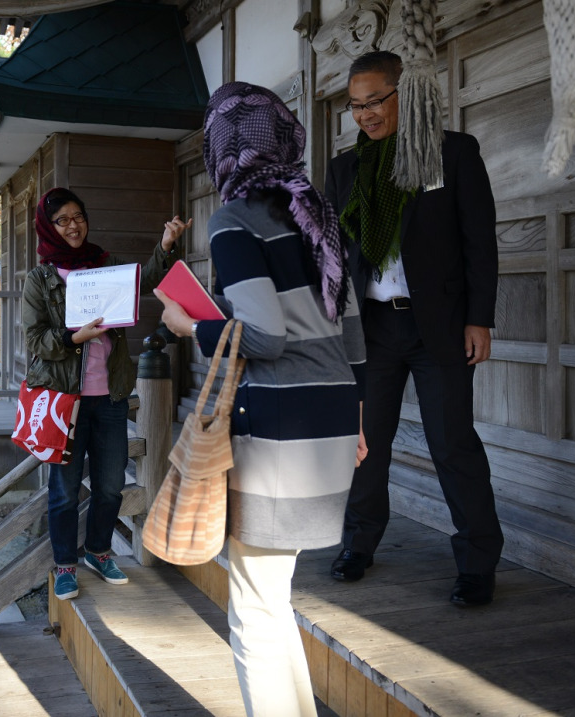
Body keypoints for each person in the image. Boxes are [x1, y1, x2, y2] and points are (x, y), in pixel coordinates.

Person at [157, 82, 367, 717]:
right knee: (273, 600)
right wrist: (358, 424)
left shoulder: (233, 221)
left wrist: (191, 326)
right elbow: (350, 331)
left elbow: (268, 337)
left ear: (223, 149)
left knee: (252, 609)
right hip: (332, 420)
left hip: (278, 425)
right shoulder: (315, 214)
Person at [325, 49, 502, 607]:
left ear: (406, 93)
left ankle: (476, 563)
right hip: (371, 328)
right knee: (363, 445)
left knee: (452, 443)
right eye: (355, 106)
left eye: (375, 100)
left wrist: (480, 318)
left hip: (440, 327)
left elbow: (479, 241)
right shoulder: (344, 168)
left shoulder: (452, 153)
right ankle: (358, 544)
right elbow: (334, 254)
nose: (365, 115)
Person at [22, 186, 190, 601]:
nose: (73, 225)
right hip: (67, 400)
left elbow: (146, 279)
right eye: (62, 220)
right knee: (63, 491)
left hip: (110, 395)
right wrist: (75, 337)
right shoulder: (40, 279)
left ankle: (98, 551)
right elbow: (35, 338)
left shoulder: (103, 265)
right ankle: (65, 565)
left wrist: (166, 244)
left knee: (111, 485)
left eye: (77, 216)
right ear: (48, 227)